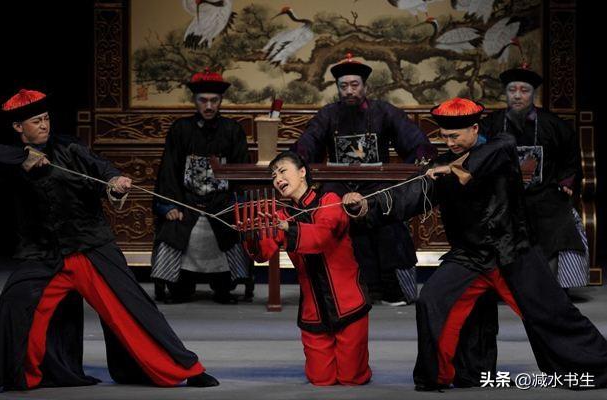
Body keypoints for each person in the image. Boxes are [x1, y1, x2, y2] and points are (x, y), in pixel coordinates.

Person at [343, 97, 607, 391]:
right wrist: (365, 206)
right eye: (444, 136)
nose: (449, 142)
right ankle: (452, 374)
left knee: (552, 313)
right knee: (432, 300)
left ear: (474, 128)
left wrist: (454, 168)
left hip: (513, 251)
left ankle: (596, 366)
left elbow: (492, 154)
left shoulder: (501, 147)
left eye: (455, 136)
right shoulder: (441, 165)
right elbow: (409, 195)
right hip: (469, 255)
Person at [0, 89, 218, 390]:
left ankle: (187, 369)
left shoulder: (69, 148)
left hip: (90, 246)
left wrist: (114, 181)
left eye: (46, 118)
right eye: (36, 121)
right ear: (18, 127)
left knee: (130, 309)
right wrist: (22, 157)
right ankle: (22, 375)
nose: (44, 125)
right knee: (16, 303)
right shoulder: (9, 158)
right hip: (44, 254)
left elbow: (100, 167)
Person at [293, 53, 437, 306]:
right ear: (338, 88)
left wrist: (418, 161)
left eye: (354, 85)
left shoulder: (384, 112)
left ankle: (393, 289)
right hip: (338, 185)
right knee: (332, 217)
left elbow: (414, 141)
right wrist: (295, 162)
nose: (349, 91)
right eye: (343, 86)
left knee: (388, 218)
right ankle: (342, 289)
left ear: (365, 86)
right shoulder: (327, 115)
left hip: (377, 184)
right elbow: (308, 144)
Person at [244, 151, 372, 386]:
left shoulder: (330, 200)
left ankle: (357, 366)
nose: (278, 179)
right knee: (320, 379)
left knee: (351, 379)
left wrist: (286, 228)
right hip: (313, 310)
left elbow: (322, 237)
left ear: (302, 172)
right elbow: (262, 254)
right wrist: (251, 235)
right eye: (273, 176)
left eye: (282, 171)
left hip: (348, 303)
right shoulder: (281, 214)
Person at [480, 65, 589, 289]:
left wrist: (566, 181)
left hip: (543, 194)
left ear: (533, 94)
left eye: (524, 90)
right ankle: (503, 286)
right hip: (503, 195)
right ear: (505, 93)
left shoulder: (553, 124)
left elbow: (570, 156)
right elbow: (477, 154)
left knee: (561, 221)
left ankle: (551, 287)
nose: (517, 95)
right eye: (512, 90)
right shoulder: (492, 124)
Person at [150, 68, 252, 304]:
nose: (208, 106)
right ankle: (179, 285)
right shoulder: (180, 129)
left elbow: (241, 171)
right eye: (203, 100)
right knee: (174, 228)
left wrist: (237, 206)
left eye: (214, 100)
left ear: (221, 100)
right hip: (186, 201)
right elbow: (169, 170)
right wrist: (169, 205)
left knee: (229, 229)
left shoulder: (233, 130)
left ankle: (224, 285)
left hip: (222, 202)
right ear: (194, 101)